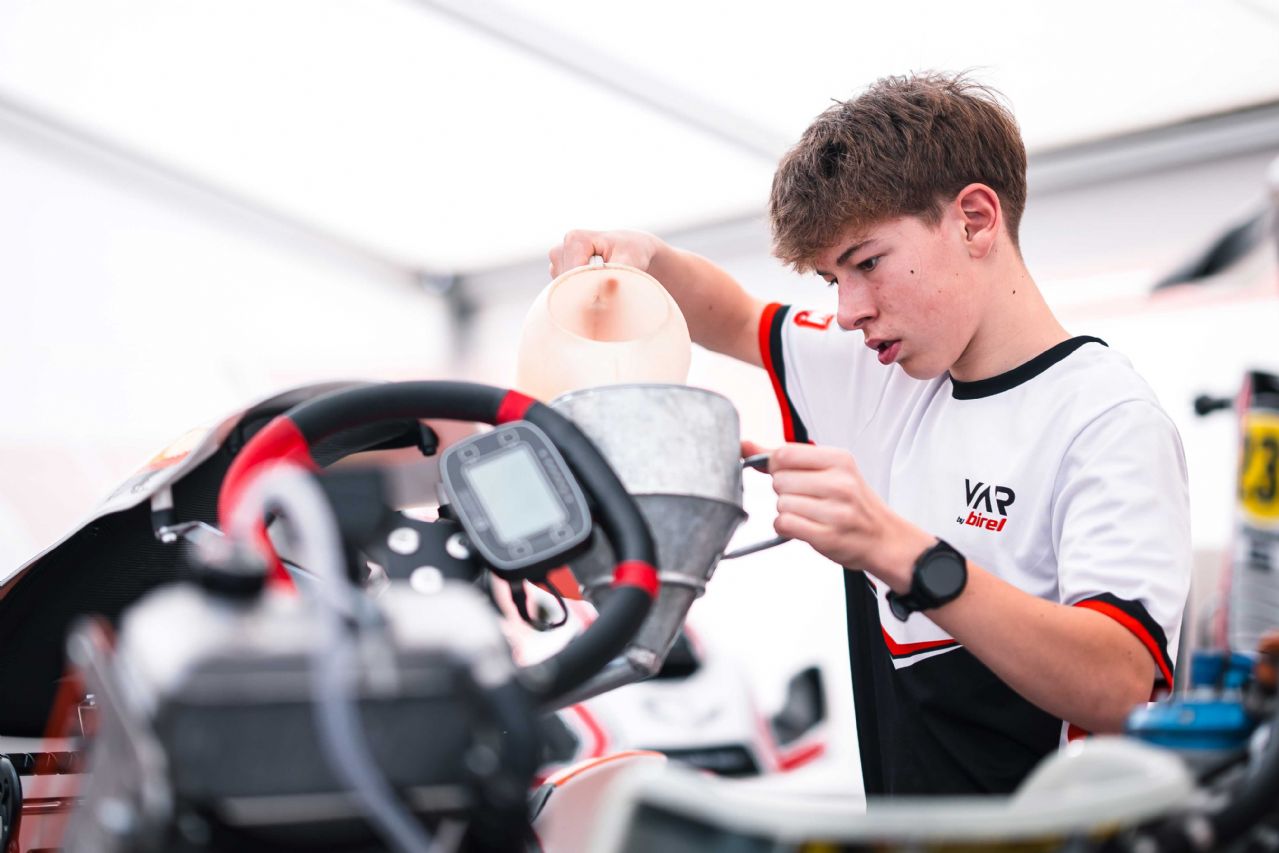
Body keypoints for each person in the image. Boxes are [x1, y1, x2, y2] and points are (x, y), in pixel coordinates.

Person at [547, 72, 1190, 796]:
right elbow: (734, 315)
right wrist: (642, 258)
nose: (848, 310)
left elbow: (1121, 683)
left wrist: (898, 551)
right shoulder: (881, 369)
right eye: (832, 280)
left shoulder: (1105, 418)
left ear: (975, 219)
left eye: (866, 264)